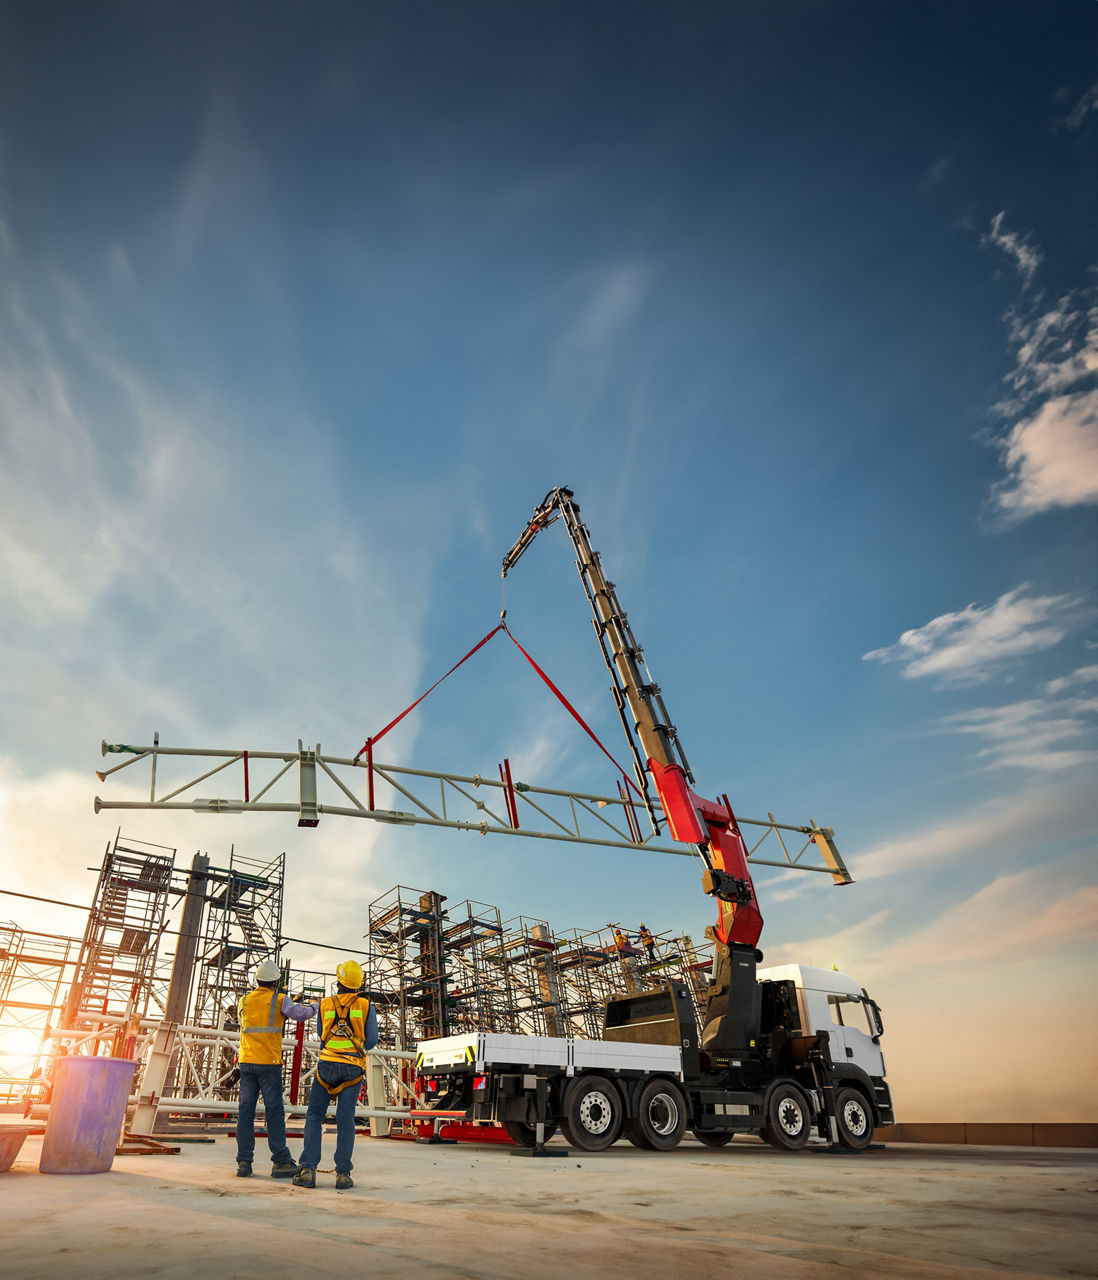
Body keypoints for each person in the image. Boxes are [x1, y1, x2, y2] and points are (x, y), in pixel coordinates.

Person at [294, 959, 377, 1190]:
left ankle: (308, 1170)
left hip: (327, 1067)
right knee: (345, 1119)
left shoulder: (325, 1003)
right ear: (358, 984)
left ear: (339, 981)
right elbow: (371, 1041)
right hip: (352, 1068)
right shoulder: (366, 1006)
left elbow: (322, 1034)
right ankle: (343, 1174)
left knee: (314, 1116)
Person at [236, 958, 319, 1179]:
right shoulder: (279, 999)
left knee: (245, 1112)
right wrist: (315, 1005)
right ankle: (281, 1161)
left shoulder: (244, 1000)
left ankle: (244, 1162)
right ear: (276, 981)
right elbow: (300, 1014)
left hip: (245, 1063)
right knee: (274, 1111)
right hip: (269, 1064)